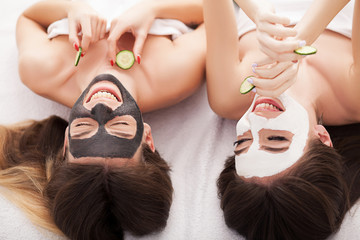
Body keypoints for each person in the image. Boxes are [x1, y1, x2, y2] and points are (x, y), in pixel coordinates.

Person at [2, 0, 205, 239]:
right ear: (147, 137)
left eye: (83, 126)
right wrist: (152, 9)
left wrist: (72, 9)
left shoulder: (42, 70)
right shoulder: (175, 74)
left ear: (66, 141)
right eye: (120, 126)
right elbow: (218, 16)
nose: (101, 107)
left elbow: (29, 17)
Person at [203, 0, 360, 239]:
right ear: (322, 137)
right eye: (275, 139)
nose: (256, 121)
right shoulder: (355, 94)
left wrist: (255, 11)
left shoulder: (226, 96)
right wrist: (297, 45)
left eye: (242, 143)